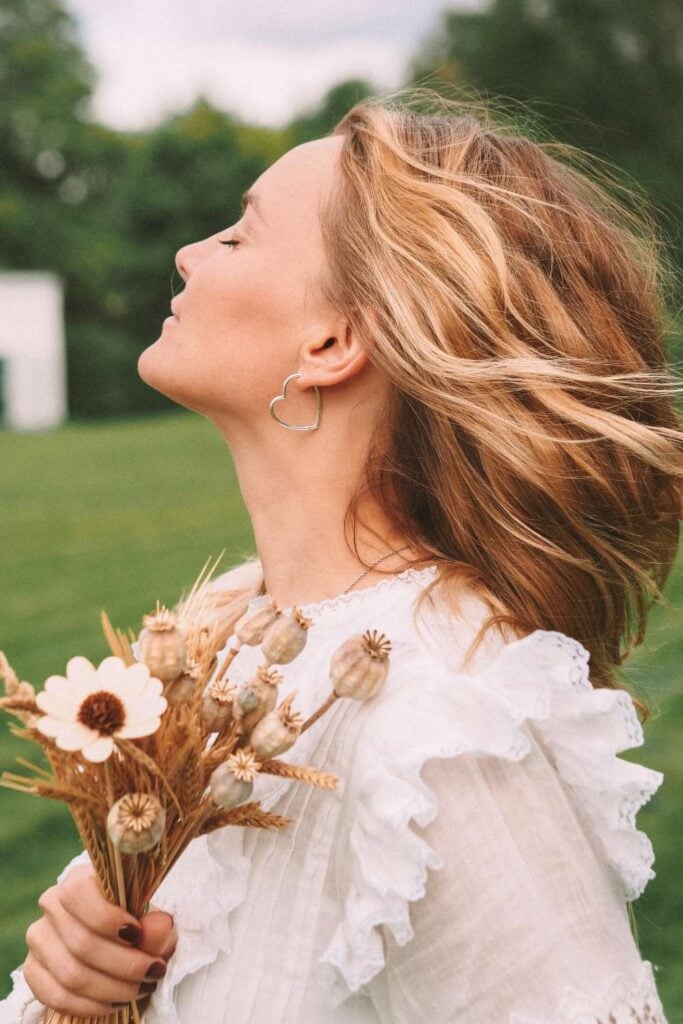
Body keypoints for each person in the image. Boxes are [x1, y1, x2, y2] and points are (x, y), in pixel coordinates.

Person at [2, 86, 680, 1023]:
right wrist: (77, 971)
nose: (188, 253)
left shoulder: (441, 723)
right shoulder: (228, 639)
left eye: (237, 236)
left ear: (331, 343)